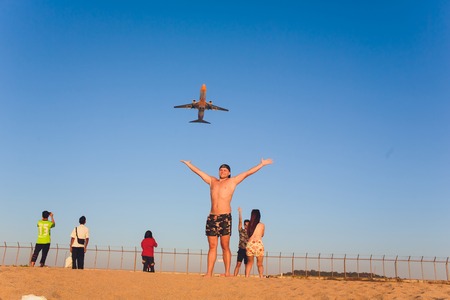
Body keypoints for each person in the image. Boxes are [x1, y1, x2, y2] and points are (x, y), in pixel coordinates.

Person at [181, 158, 273, 277]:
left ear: (229, 172)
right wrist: (189, 164)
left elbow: (247, 173)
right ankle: (209, 272)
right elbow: (199, 172)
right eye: (221, 170)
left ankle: (227, 272)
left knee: (225, 246)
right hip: (212, 217)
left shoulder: (232, 181)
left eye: (225, 170)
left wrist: (261, 164)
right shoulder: (212, 181)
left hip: (225, 217)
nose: (222, 171)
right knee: (212, 246)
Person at [245, 209, 265, 278]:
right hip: (258, 244)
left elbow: (248, 234)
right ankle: (261, 276)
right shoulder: (262, 225)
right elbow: (262, 234)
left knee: (249, 263)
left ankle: (247, 276)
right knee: (260, 264)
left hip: (250, 244)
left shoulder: (249, 225)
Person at [233, 207, 250, 276]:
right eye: (245, 224)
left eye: (247, 225)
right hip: (241, 249)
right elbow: (240, 222)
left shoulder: (251, 232)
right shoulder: (241, 230)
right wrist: (240, 213)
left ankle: (247, 277)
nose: (246, 226)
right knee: (238, 264)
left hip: (248, 250)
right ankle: (234, 276)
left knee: (247, 265)